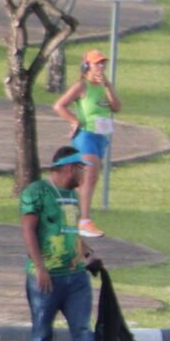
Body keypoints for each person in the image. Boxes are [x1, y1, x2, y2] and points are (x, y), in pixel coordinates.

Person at [21, 144, 107, 341]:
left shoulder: (72, 196)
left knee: (81, 328)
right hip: (46, 276)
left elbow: (70, 232)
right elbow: (28, 230)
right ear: (69, 168)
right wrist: (40, 267)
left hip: (76, 276)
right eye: (81, 169)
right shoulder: (37, 192)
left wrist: (88, 253)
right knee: (41, 329)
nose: (84, 175)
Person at [50, 48, 119, 238]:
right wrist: (74, 120)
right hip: (86, 135)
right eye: (97, 63)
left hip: (101, 136)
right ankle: (84, 221)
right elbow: (59, 105)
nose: (101, 66)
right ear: (87, 65)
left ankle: (74, 217)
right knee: (88, 177)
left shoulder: (103, 85)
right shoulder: (82, 85)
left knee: (91, 178)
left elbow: (117, 107)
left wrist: (108, 86)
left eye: (103, 62)